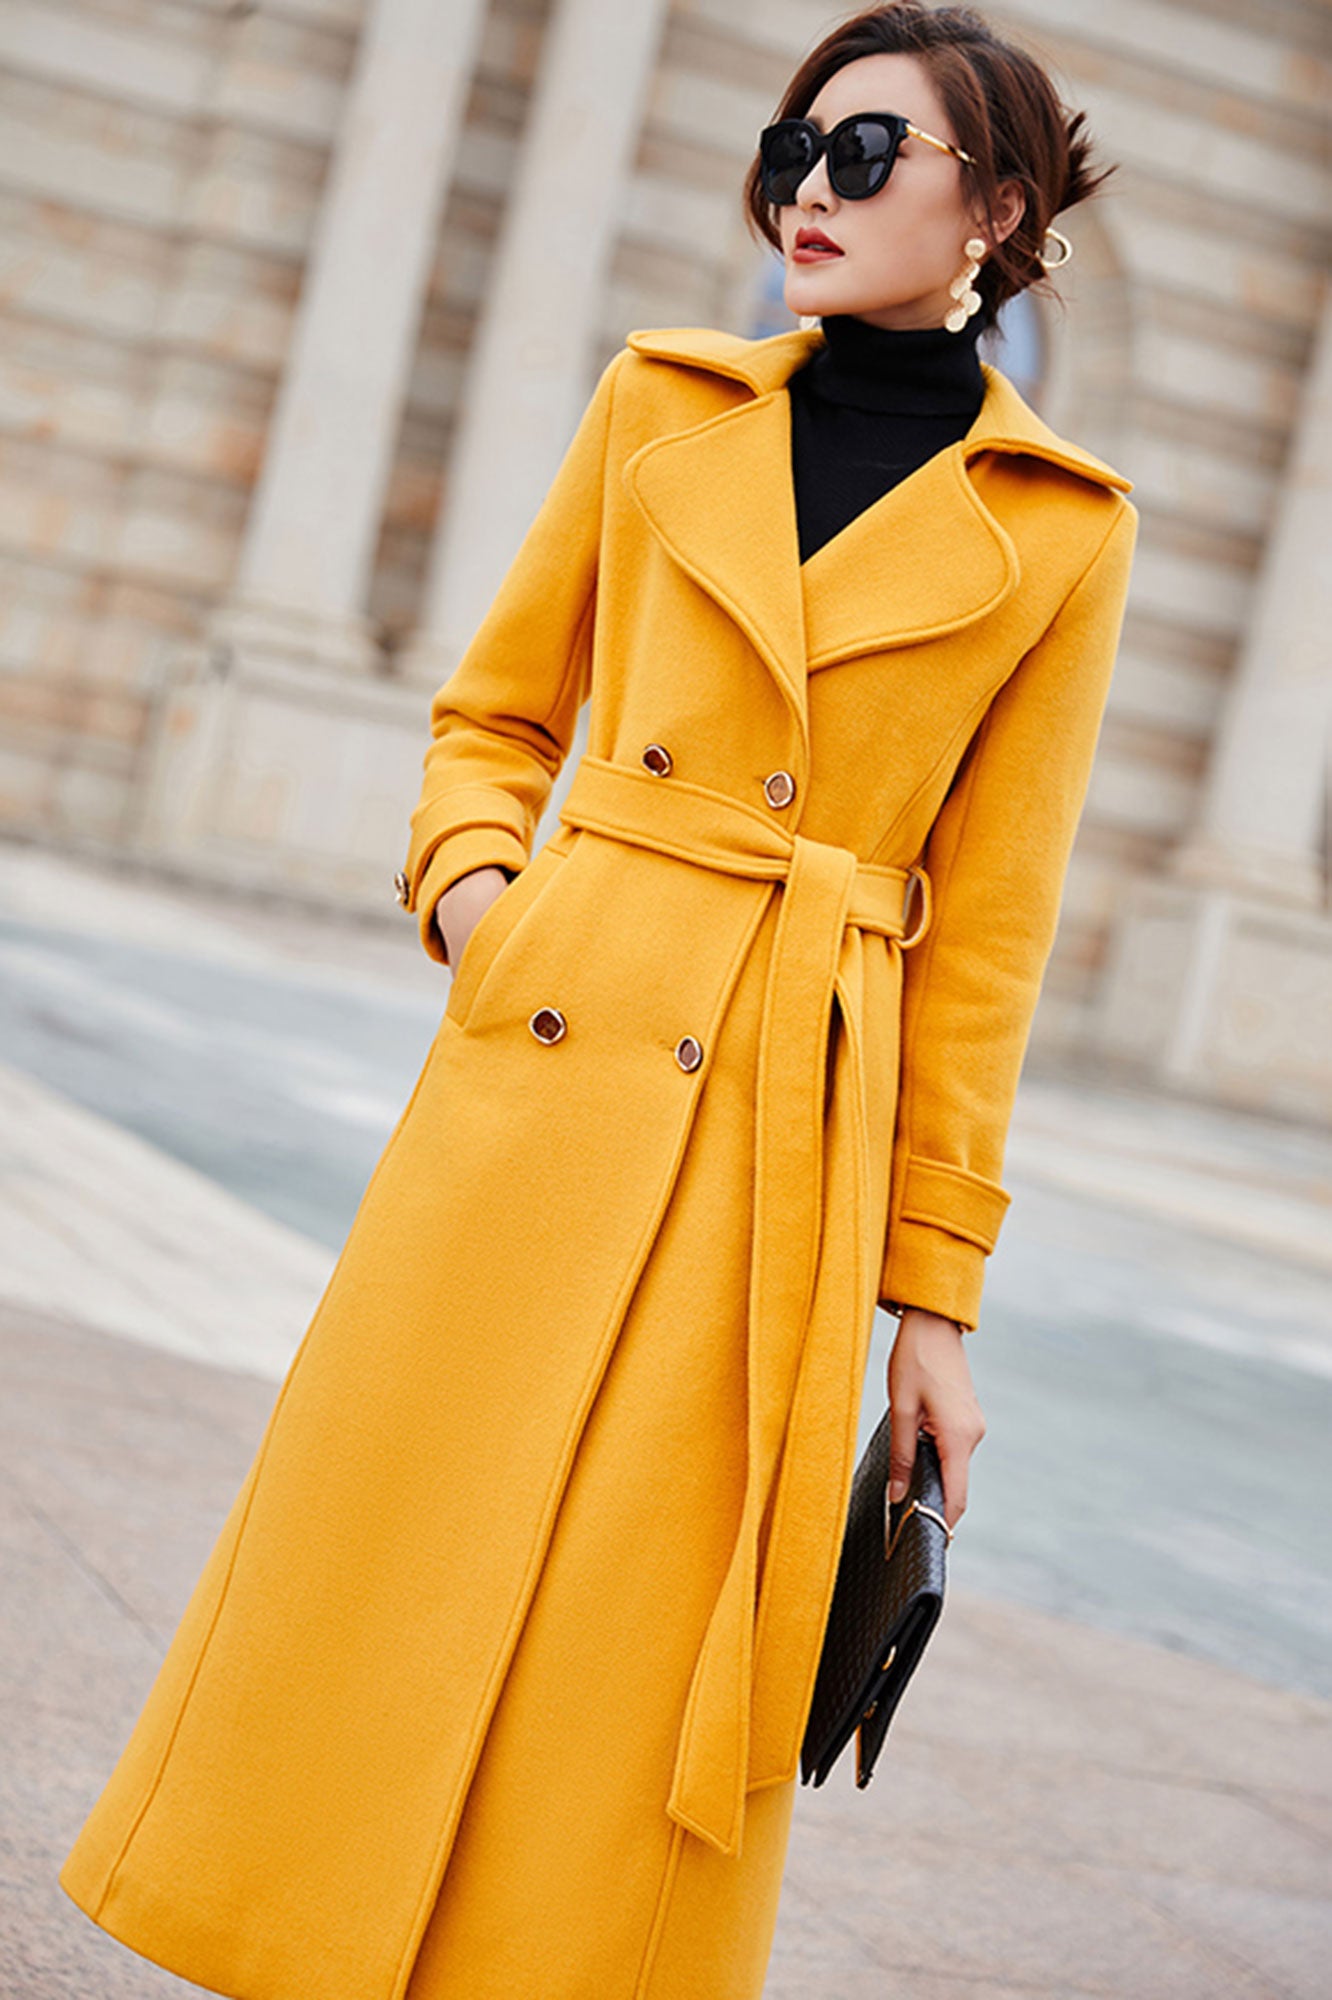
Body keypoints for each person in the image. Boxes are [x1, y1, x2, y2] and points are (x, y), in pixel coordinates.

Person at [58, 4, 1138, 1996]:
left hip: (788, 1132)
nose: (813, 188)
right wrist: (487, 905)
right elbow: (494, 714)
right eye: (796, 148)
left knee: (634, 1643)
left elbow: (987, 937)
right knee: (405, 1532)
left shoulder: (1063, 526)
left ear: (994, 208)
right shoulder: (659, 402)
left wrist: (938, 1305)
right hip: (549, 1060)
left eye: (870, 156)